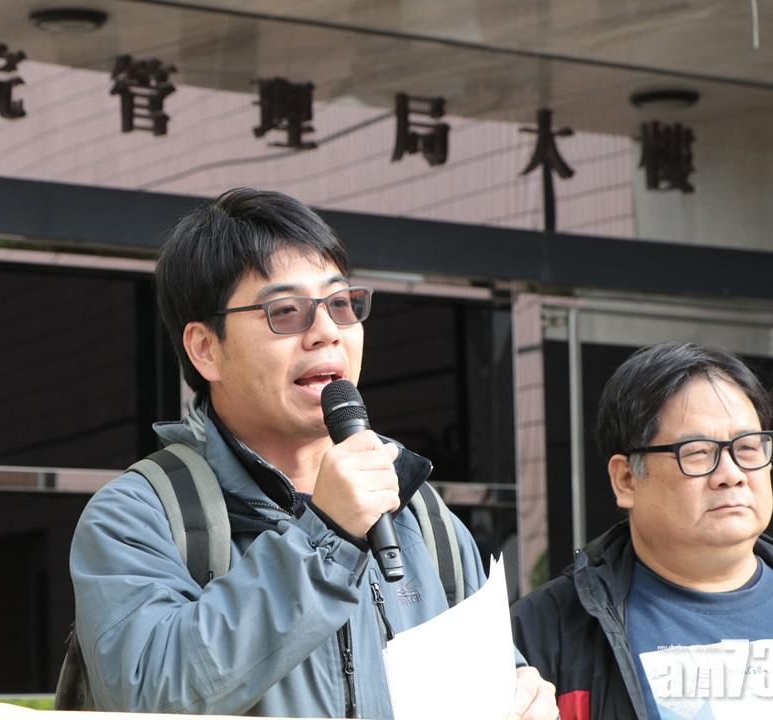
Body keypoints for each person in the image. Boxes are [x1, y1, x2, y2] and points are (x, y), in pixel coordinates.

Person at [69, 188, 556, 718]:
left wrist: (521, 690)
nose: (326, 332)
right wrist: (330, 537)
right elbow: (150, 693)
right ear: (206, 348)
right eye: (286, 311)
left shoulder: (421, 516)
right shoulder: (137, 516)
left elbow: (486, 677)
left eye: (340, 304)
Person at [511, 342, 773, 719]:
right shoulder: (542, 634)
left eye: (748, 448)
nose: (731, 474)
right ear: (626, 479)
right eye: (698, 452)